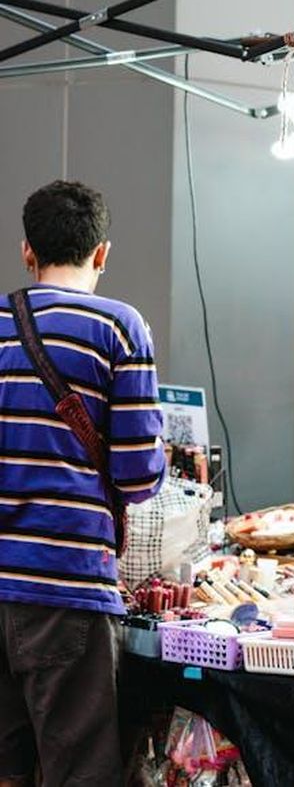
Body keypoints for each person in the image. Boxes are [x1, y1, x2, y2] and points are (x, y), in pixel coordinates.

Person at [0, 181, 166, 786]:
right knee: (78, 774)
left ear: (26, 252)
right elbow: (138, 473)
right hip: (63, 590)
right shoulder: (118, 327)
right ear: (102, 253)